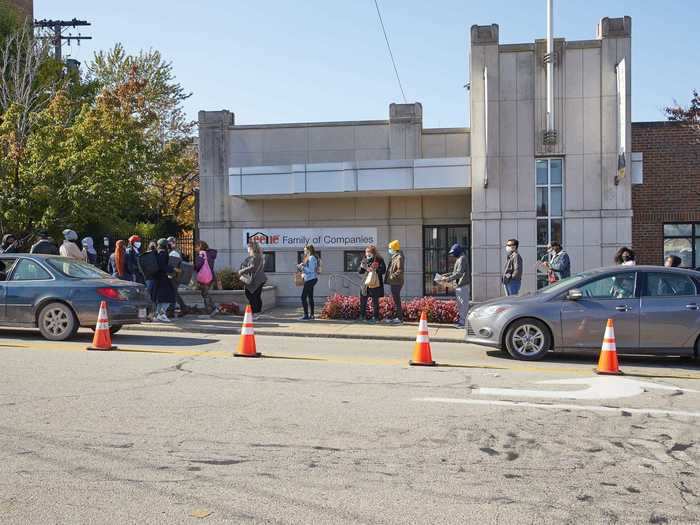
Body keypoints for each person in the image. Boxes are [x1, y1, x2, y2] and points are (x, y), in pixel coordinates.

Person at [437, 244, 470, 328]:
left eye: (453, 252)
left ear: (457, 251)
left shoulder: (462, 259)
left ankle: (463, 323)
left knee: (463, 305)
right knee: (460, 305)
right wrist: (446, 275)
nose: (452, 254)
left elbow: (459, 273)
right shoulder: (460, 258)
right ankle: (461, 321)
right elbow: (455, 272)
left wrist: (448, 279)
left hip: (463, 285)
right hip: (460, 285)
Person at [358, 245, 386, 323]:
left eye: (369, 252)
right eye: (366, 252)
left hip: (375, 283)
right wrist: (363, 268)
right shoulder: (364, 260)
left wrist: (375, 269)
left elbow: (383, 270)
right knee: (363, 300)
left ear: (373, 252)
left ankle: (375, 317)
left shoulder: (379, 259)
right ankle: (362, 316)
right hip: (365, 283)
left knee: (375, 301)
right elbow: (360, 271)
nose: (367, 254)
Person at [237, 241, 266, 314]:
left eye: (248, 247)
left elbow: (253, 267)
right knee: (256, 296)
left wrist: (241, 271)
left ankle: (255, 312)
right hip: (259, 279)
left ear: (251, 248)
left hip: (255, 280)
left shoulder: (256, 256)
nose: (247, 248)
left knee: (252, 296)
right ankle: (257, 312)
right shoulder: (258, 256)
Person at [167, 236, 191, 317]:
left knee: (173, 293)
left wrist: (170, 275)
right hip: (175, 275)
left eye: (169, 243)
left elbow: (173, 265)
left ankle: (181, 309)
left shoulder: (174, 252)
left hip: (174, 276)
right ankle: (176, 310)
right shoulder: (174, 251)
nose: (168, 244)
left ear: (173, 243)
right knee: (173, 293)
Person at [152, 238, 175, 322]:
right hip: (163, 278)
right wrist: (172, 269)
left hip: (157, 278)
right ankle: (162, 314)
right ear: (165, 245)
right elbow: (162, 266)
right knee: (169, 296)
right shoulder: (163, 253)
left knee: (160, 298)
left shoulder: (157, 252)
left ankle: (158, 314)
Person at [384, 240, 405, 324]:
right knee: (396, 300)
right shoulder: (395, 256)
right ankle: (397, 317)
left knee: (397, 300)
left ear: (394, 248)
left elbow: (400, 270)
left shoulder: (399, 257)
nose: (389, 249)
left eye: (390, 248)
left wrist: (392, 276)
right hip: (394, 282)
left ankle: (399, 318)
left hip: (397, 282)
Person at [297, 244, 319, 320]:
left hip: (311, 279)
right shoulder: (309, 258)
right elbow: (309, 268)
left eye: (305, 250)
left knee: (303, 297)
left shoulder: (311, 258)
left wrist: (302, 267)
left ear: (308, 250)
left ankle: (306, 315)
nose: (304, 251)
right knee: (310, 297)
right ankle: (312, 315)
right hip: (311, 279)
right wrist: (303, 266)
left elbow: (311, 270)